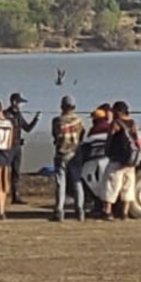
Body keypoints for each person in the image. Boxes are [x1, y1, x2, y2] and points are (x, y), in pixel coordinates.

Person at [51, 95, 85, 223]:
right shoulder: (79, 121)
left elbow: (55, 135)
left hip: (61, 153)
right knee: (77, 181)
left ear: (62, 106)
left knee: (61, 183)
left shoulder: (57, 121)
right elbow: (82, 135)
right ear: (74, 107)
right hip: (75, 153)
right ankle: (80, 210)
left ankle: (59, 210)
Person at [106, 101, 140, 221]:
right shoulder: (133, 123)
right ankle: (125, 213)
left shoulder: (116, 123)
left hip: (117, 159)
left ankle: (108, 211)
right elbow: (137, 139)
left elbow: (110, 138)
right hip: (130, 159)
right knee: (128, 185)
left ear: (118, 111)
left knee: (112, 184)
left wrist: (108, 151)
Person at [8, 92, 38, 203]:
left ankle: (15, 195)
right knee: (5, 171)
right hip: (8, 147)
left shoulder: (19, 115)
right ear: (14, 102)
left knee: (16, 171)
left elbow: (28, 128)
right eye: (20, 103)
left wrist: (36, 118)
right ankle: (5, 193)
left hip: (17, 146)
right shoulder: (6, 114)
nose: (22, 105)